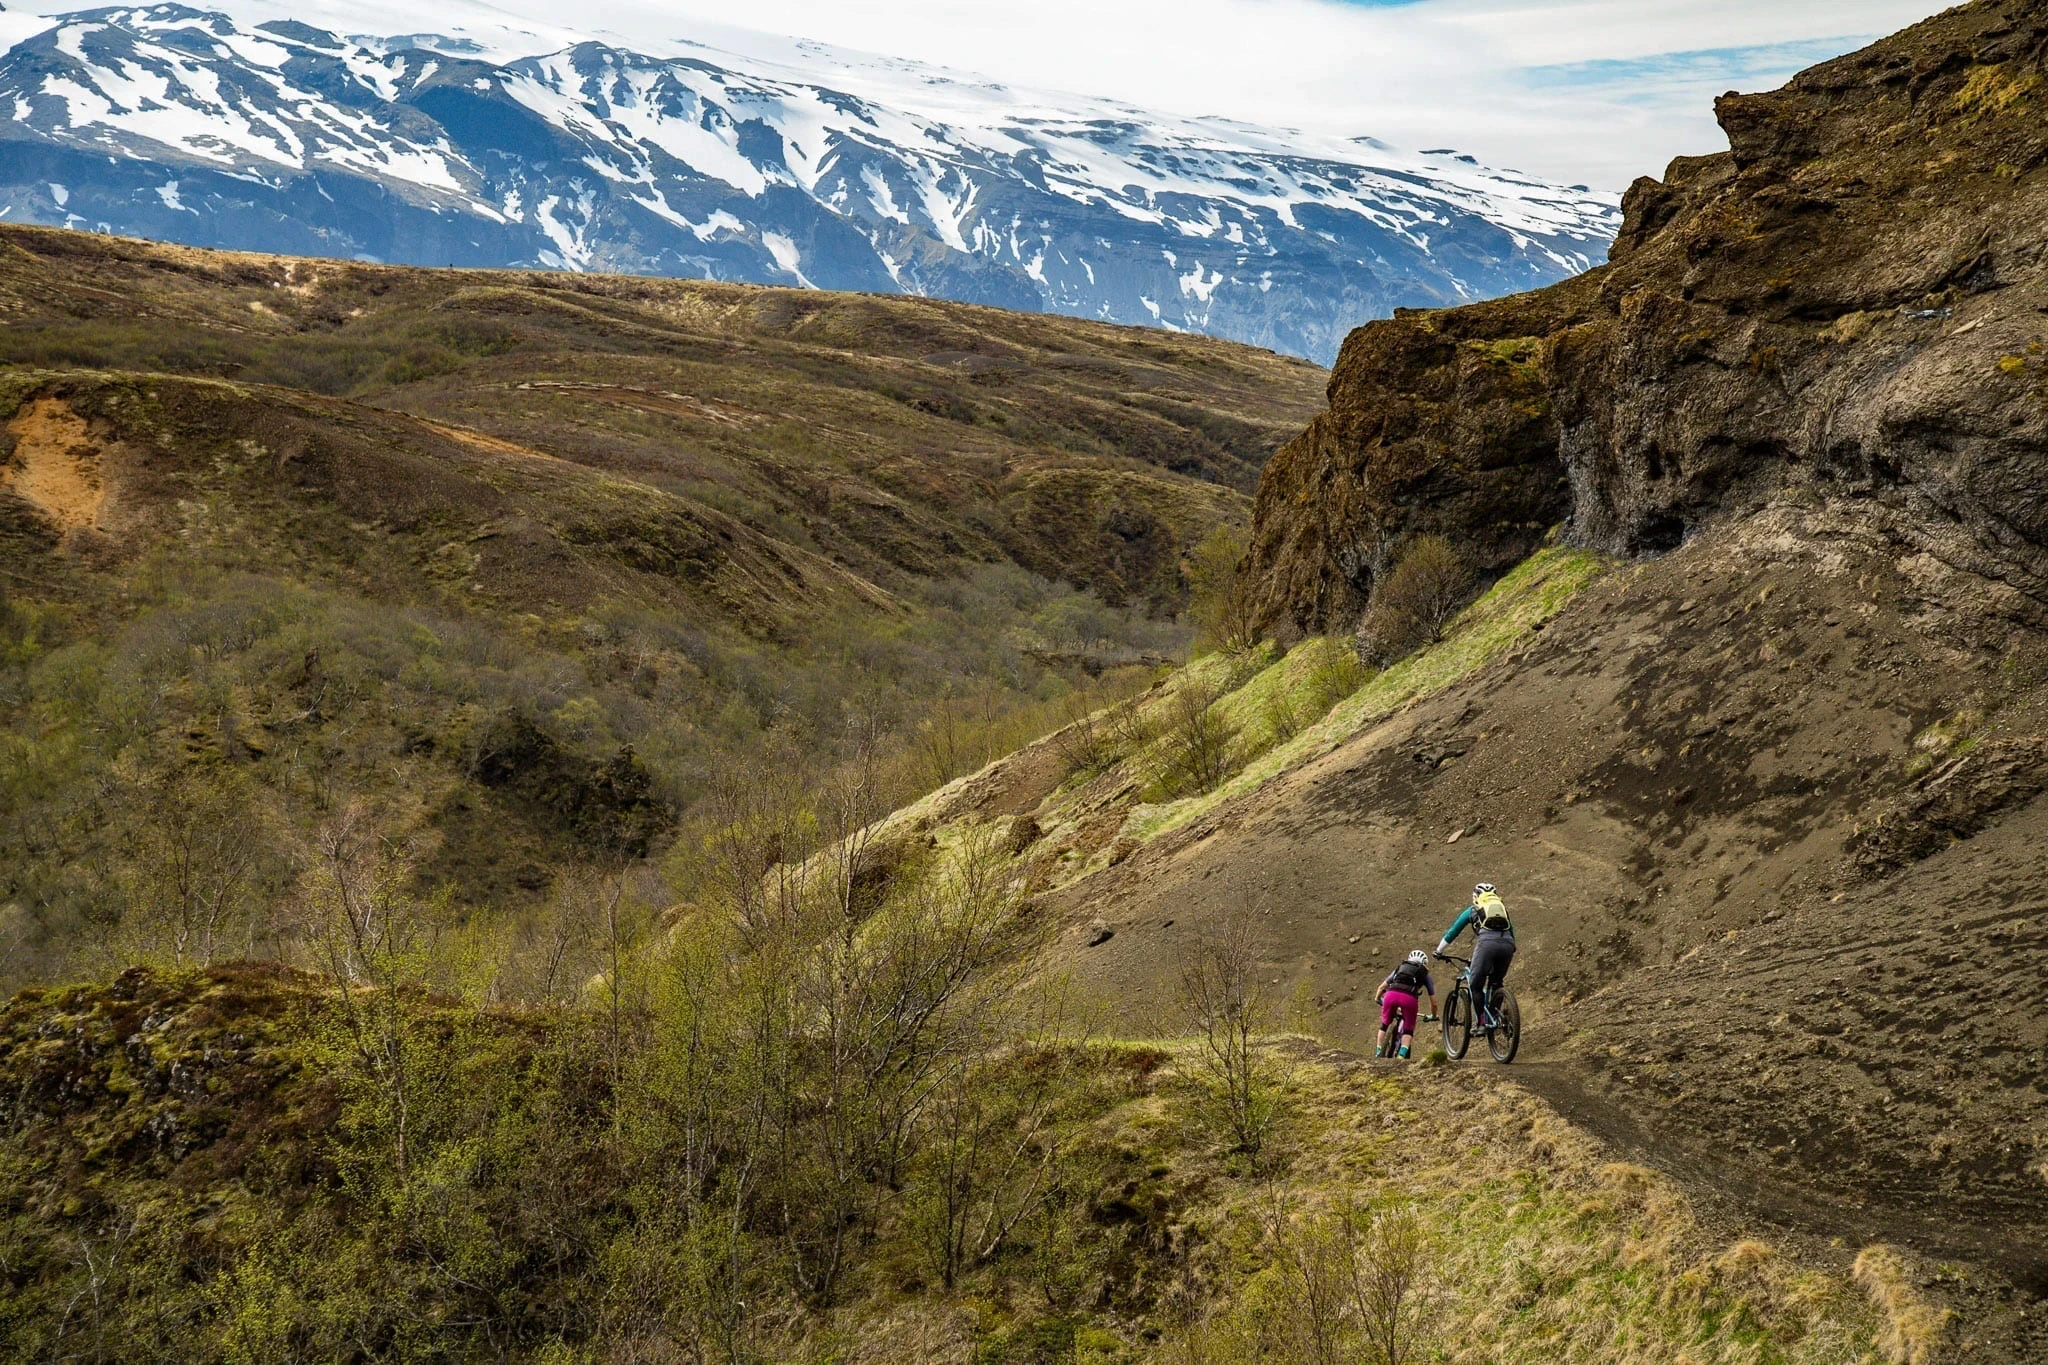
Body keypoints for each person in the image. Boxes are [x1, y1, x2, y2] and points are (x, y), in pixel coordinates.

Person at [1437, 881, 1515, 1029]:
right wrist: (1510, 947)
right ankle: (1495, 1018)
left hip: (1487, 944)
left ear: (1475, 896)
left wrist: (1439, 951)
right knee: (1496, 982)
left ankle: (1480, 1022)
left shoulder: (1473, 909)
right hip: (1508, 945)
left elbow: (1453, 931)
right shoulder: (1502, 910)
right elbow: (1511, 931)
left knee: (1475, 984)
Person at [1374, 949, 1438, 1060]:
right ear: (1424, 963)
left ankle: (1378, 1050)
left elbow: (1381, 987)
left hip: (1390, 995)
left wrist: (1378, 999)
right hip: (1409, 1000)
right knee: (1408, 1030)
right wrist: (1433, 1015)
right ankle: (1401, 1056)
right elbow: (1433, 1001)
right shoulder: (1425, 973)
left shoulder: (1400, 967)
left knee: (1384, 1025)